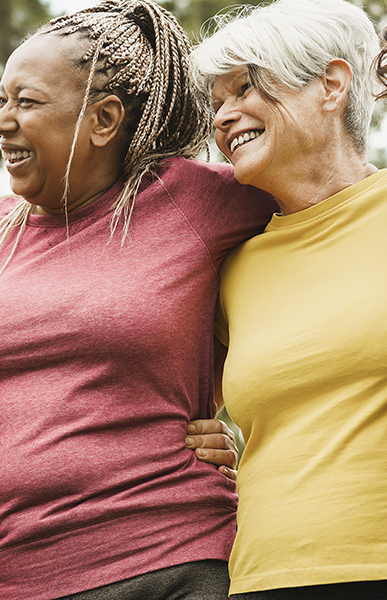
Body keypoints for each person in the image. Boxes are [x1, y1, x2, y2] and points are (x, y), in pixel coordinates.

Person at [0, 1, 277, 598]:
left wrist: (248, 402)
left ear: (103, 119)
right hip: (4, 576)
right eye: (0, 100)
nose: (1, 121)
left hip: (171, 562)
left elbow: (326, 212)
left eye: (27, 101)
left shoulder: (189, 200)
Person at [188, 0, 387, 597]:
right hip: (261, 579)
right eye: (217, 104)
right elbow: (159, 403)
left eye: (246, 89)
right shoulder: (234, 270)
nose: (225, 117)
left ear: (331, 84)